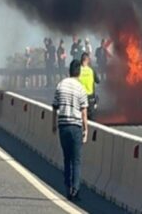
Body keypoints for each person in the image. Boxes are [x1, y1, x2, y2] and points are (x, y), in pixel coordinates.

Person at [52, 59, 89, 201]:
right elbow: (84, 112)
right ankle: (76, 190)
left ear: (69, 71)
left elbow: (54, 107)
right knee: (77, 160)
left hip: (63, 126)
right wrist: (86, 131)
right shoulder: (80, 88)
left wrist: (53, 125)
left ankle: (67, 188)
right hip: (75, 127)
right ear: (79, 72)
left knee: (67, 159)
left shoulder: (61, 85)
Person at [78, 52, 101, 120]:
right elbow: (98, 81)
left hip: (80, 97)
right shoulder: (91, 70)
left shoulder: (78, 70)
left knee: (80, 118)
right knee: (92, 119)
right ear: (87, 60)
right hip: (90, 98)